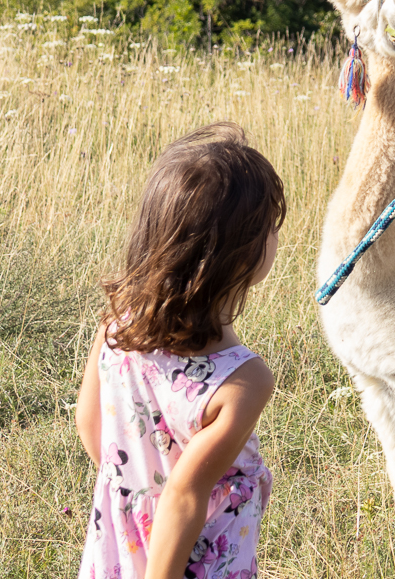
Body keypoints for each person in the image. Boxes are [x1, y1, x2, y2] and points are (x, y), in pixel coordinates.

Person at [75, 122, 284, 579]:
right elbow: (184, 498)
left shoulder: (117, 328)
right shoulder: (242, 380)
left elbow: (90, 425)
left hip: (120, 545)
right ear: (241, 253)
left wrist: (137, 493)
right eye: (269, 226)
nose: (276, 236)